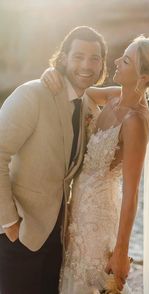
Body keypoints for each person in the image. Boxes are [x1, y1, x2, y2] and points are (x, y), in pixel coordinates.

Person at [42, 35, 149, 294]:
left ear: (143, 77)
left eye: (127, 60)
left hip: (98, 216)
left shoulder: (136, 122)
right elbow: (74, 88)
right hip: (76, 208)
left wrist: (121, 252)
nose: (117, 61)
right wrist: (52, 73)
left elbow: (131, 193)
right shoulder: (112, 97)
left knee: (89, 279)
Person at [0, 26, 107, 294]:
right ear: (63, 58)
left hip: (55, 236)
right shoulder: (33, 94)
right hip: (19, 233)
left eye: (95, 58)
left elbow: (127, 95)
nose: (87, 65)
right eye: (79, 56)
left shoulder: (86, 104)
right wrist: (10, 223)